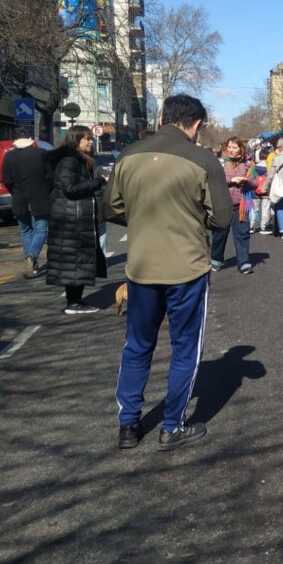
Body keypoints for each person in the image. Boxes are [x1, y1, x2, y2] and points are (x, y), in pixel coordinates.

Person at [104, 94, 232, 451]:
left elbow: (111, 208)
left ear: (164, 117)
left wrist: (144, 219)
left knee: (137, 345)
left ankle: (128, 424)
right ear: (195, 124)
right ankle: (172, 426)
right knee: (185, 348)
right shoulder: (202, 158)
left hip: (141, 265)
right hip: (186, 266)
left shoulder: (128, 155)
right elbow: (222, 218)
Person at [45, 125, 107, 312]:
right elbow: (69, 189)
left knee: (76, 261)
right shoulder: (70, 160)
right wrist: (98, 182)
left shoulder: (79, 159)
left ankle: (75, 301)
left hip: (73, 216)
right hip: (71, 218)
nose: (90, 142)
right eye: (86, 139)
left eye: (90, 138)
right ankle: (74, 303)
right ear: (75, 140)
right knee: (74, 261)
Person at [1, 127, 50, 278]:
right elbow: (51, 177)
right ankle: (32, 256)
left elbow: (7, 180)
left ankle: (31, 263)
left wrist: (15, 192)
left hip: (19, 198)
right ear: (30, 138)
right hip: (40, 198)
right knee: (41, 230)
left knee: (26, 231)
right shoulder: (42, 154)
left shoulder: (9, 157)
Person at [211, 136, 254, 274]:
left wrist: (246, 181)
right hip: (222, 203)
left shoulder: (248, 163)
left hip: (242, 203)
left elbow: (255, 183)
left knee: (242, 233)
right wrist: (231, 180)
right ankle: (216, 259)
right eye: (229, 147)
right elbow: (215, 180)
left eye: (234, 147)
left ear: (240, 149)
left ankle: (244, 262)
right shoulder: (220, 162)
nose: (231, 150)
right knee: (219, 233)